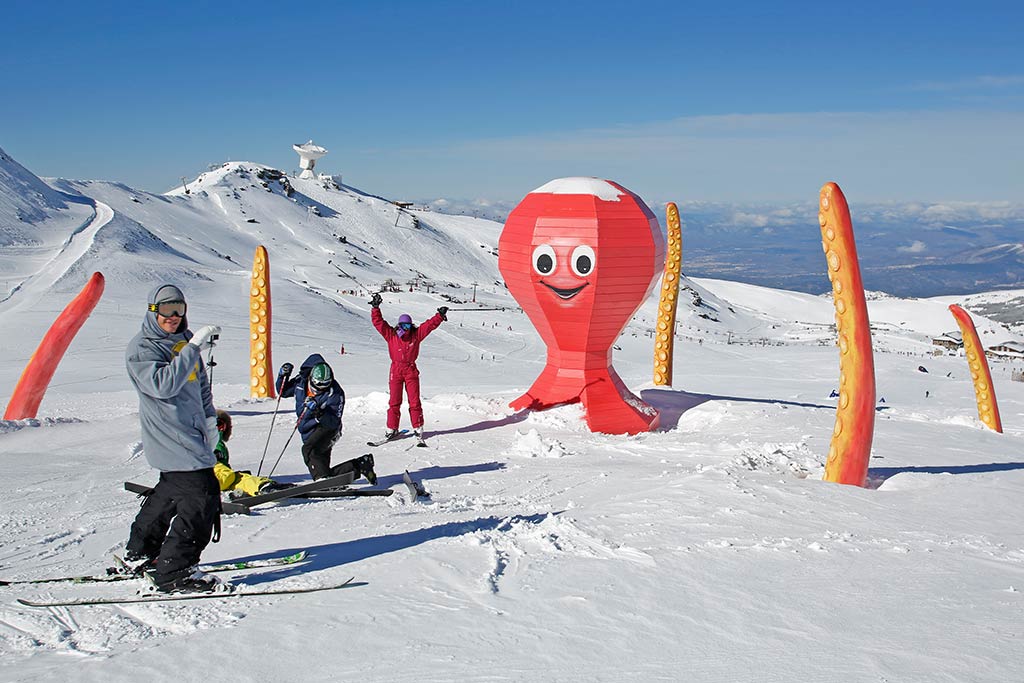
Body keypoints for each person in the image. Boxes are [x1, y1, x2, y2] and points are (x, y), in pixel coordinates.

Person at [122, 284, 224, 594]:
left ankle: (140, 553)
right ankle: (173, 571)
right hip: (170, 436)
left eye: (179, 309)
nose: (173, 316)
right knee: (202, 497)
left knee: (170, 490)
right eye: (166, 310)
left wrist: (209, 420)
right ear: (153, 311)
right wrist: (192, 348)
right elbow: (162, 385)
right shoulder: (143, 348)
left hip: (189, 434)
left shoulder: (182, 342)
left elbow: (201, 386)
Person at [276, 354, 376, 484]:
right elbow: (283, 391)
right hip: (307, 430)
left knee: (309, 450)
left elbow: (334, 421)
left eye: (325, 385)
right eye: (318, 385)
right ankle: (360, 465)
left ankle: (323, 482)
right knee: (322, 469)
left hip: (327, 429)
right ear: (311, 378)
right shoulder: (301, 381)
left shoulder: (335, 392)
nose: (320, 389)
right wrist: (283, 375)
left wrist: (318, 411)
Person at [369, 292, 447, 442]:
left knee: (414, 400)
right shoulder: (391, 335)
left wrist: (439, 316)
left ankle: (418, 427)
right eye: (404, 325)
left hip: (410, 370)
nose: (406, 328)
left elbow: (428, 326)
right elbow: (379, 323)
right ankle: (392, 428)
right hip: (396, 370)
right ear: (399, 325)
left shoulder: (416, 335)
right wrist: (375, 307)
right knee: (394, 401)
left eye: (409, 325)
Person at [213, 409, 278, 496]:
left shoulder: (219, 443)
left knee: (240, 479)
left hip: (221, 478)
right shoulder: (200, 439)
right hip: (203, 474)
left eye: (219, 425)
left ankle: (263, 486)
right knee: (232, 477)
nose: (217, 428)